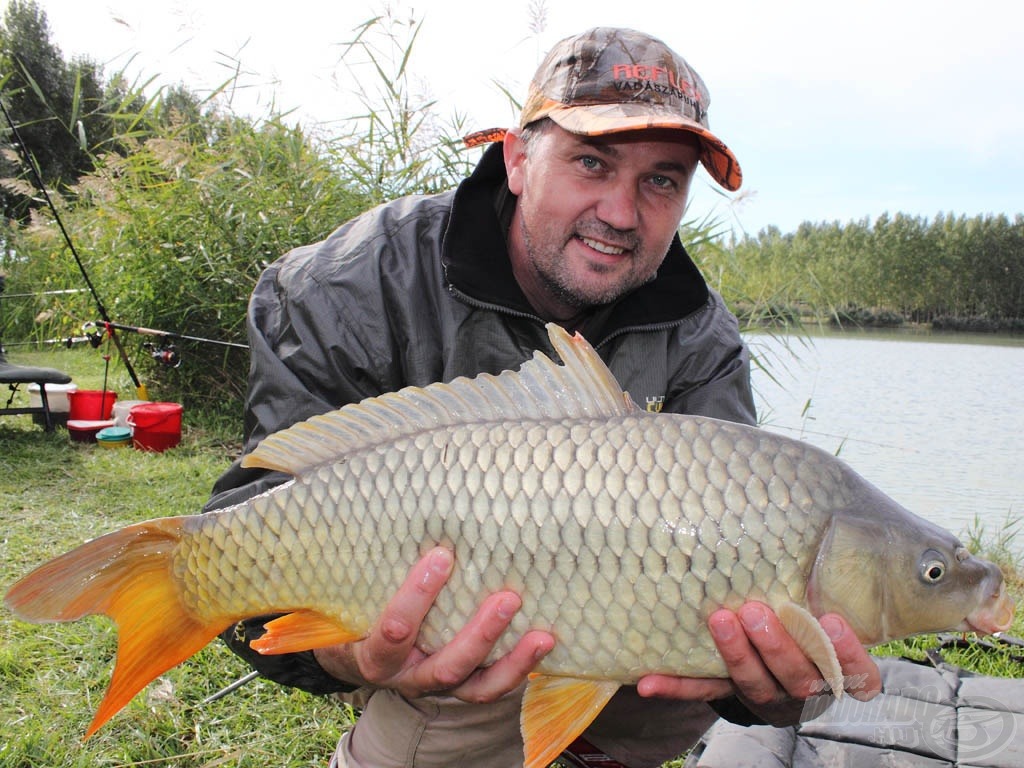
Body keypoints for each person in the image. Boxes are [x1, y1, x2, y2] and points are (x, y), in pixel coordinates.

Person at [205, 26, 881, 768]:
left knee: (680, 689)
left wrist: (771, 692)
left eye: (662, 180)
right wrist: (355, 658)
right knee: (456, 711)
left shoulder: (697, 334)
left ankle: (577, 749)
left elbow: (737, 584)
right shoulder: (346, 284)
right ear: (518, 159)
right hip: (434, 644)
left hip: (620, 638)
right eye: (591, 162)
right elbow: (251, 550)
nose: (621, 214)